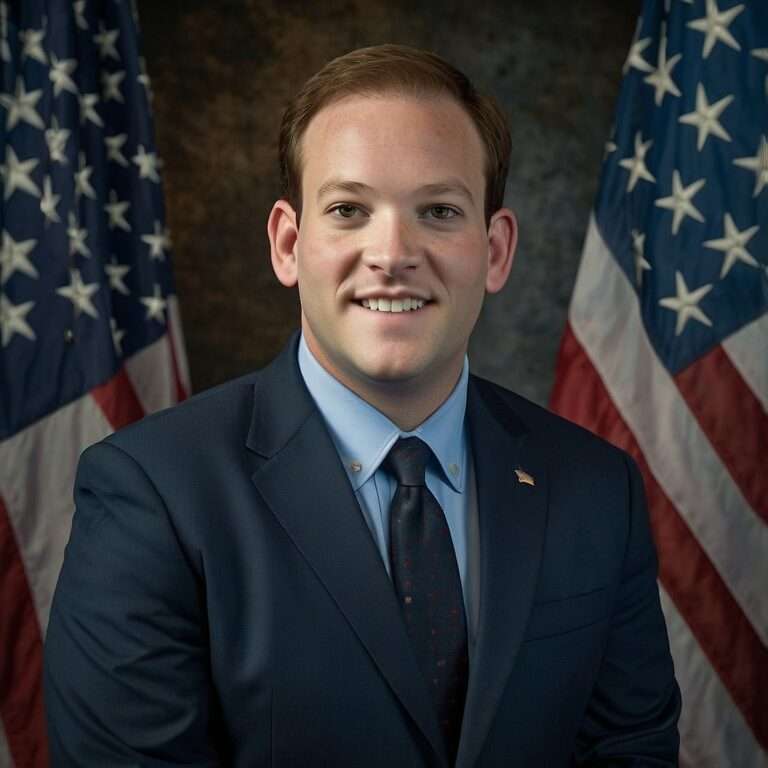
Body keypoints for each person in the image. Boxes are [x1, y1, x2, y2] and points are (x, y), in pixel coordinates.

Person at [44, 44, 681, 766]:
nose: (392, 252)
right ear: (289, 244)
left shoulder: (596, 488)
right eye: (349, 209)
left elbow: (630, 750)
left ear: (496, 250)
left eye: (438, 210)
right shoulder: (152, 492)